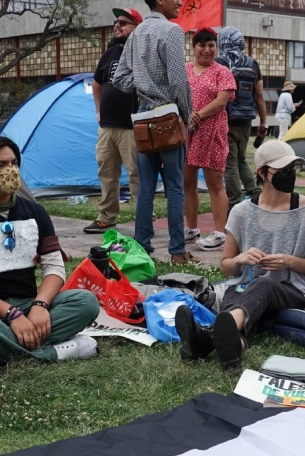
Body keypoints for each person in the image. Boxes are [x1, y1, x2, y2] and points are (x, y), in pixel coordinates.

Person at [0, 135, 101, 367]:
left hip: (30, 306)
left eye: (14, 163)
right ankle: (56, 352)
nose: (11, 170)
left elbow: (54, 268)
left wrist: (40, 305)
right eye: (1, 165)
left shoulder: (36, 213)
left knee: (86, 302)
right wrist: (11, 314)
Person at [174, 140, 305, 370]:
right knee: (241, 298)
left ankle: (206, 336)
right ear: (262, 172)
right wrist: (240, 259)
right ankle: (233, 347)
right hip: (245, 286)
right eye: (282, 169)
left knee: (263, 286)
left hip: (292, 290)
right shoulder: (241, 212)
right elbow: (226, 267)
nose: (290, 174)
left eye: (293, 168)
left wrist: (289, 261)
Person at [113, 0, 198, 264]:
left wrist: (143, 85)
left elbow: (119, 78)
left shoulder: (136, 33)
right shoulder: (171, 30)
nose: (180, 2)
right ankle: (177, 251)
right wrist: (186, 115)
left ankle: (142, 249)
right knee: (174, 186)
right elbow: (178, 81)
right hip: (168, 115)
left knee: (146, 187)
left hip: (143, 116)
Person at [85, 7, 141, 235]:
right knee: (107, 173)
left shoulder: (142, 52)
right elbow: (97, 83)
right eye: (116, 22)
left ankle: (143, 219)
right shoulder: (110, 54)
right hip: (107, 126)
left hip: (132, 127)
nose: (117, 25)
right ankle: (106, 218)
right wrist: (99, 110)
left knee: (137, 173)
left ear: (137, 28)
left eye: (123, 23)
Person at [182, 28, 236, 252]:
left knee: (215, 185)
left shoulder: (222, 72)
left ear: (216, 47)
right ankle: (191, 229)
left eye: (211, 45)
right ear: (193, 47)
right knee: (187, 184)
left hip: (213, 133)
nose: (206, 50)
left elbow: (221, 101)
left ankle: (219, 233)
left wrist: (197, 116)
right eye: (201, 45)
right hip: (187, 134)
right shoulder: (183, 69)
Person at [215, 26, 268, 216]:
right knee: (241, 160)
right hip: (246, 120)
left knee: (229, 162)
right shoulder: (252, 64)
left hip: (225, 119)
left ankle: (234, 204)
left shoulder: (220, 62)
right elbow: (259, 95)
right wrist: (263, 122)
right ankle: (255, 193)